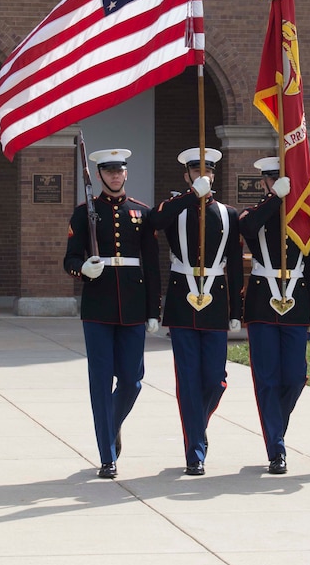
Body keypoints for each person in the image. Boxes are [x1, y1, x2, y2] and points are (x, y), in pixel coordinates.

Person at [63, 148, 161, 480]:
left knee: (132, 381)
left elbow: (152, 265)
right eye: (109, 172)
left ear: (126, 174)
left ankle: (111, 423)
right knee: (100, 382)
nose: (115, 176)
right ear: (100, 175)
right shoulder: (84, 213)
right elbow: (70, 260)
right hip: (99, 307)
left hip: (133, 307)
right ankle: (107, 454)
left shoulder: (141, 213)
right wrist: (83, 271)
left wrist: (153, 310)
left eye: (119, 171)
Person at [149, 147, 243, 476]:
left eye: (209, 171)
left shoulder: (229, 214)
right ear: (186, 174)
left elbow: (234, 265)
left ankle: (197, 427)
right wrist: (191, 196)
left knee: (216, 381)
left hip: (215, 300)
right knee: (188, 380)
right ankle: (195, 451)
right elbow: (153, 221)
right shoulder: (175, 209)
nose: (204, 176)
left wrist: (237, 308)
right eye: (196, 171)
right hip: (182, 298)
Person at [238, 156, 310, 475]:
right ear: (264, 183)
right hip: (262, 301)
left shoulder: (302, 215)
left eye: (281, 180)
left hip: (296, 300)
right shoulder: (256, 212)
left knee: (296, 376)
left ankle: (276, 429)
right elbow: (248, 227)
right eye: (271, 180)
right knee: (267, 378)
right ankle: (276, 448)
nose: (276, 184)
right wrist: (275, 198)